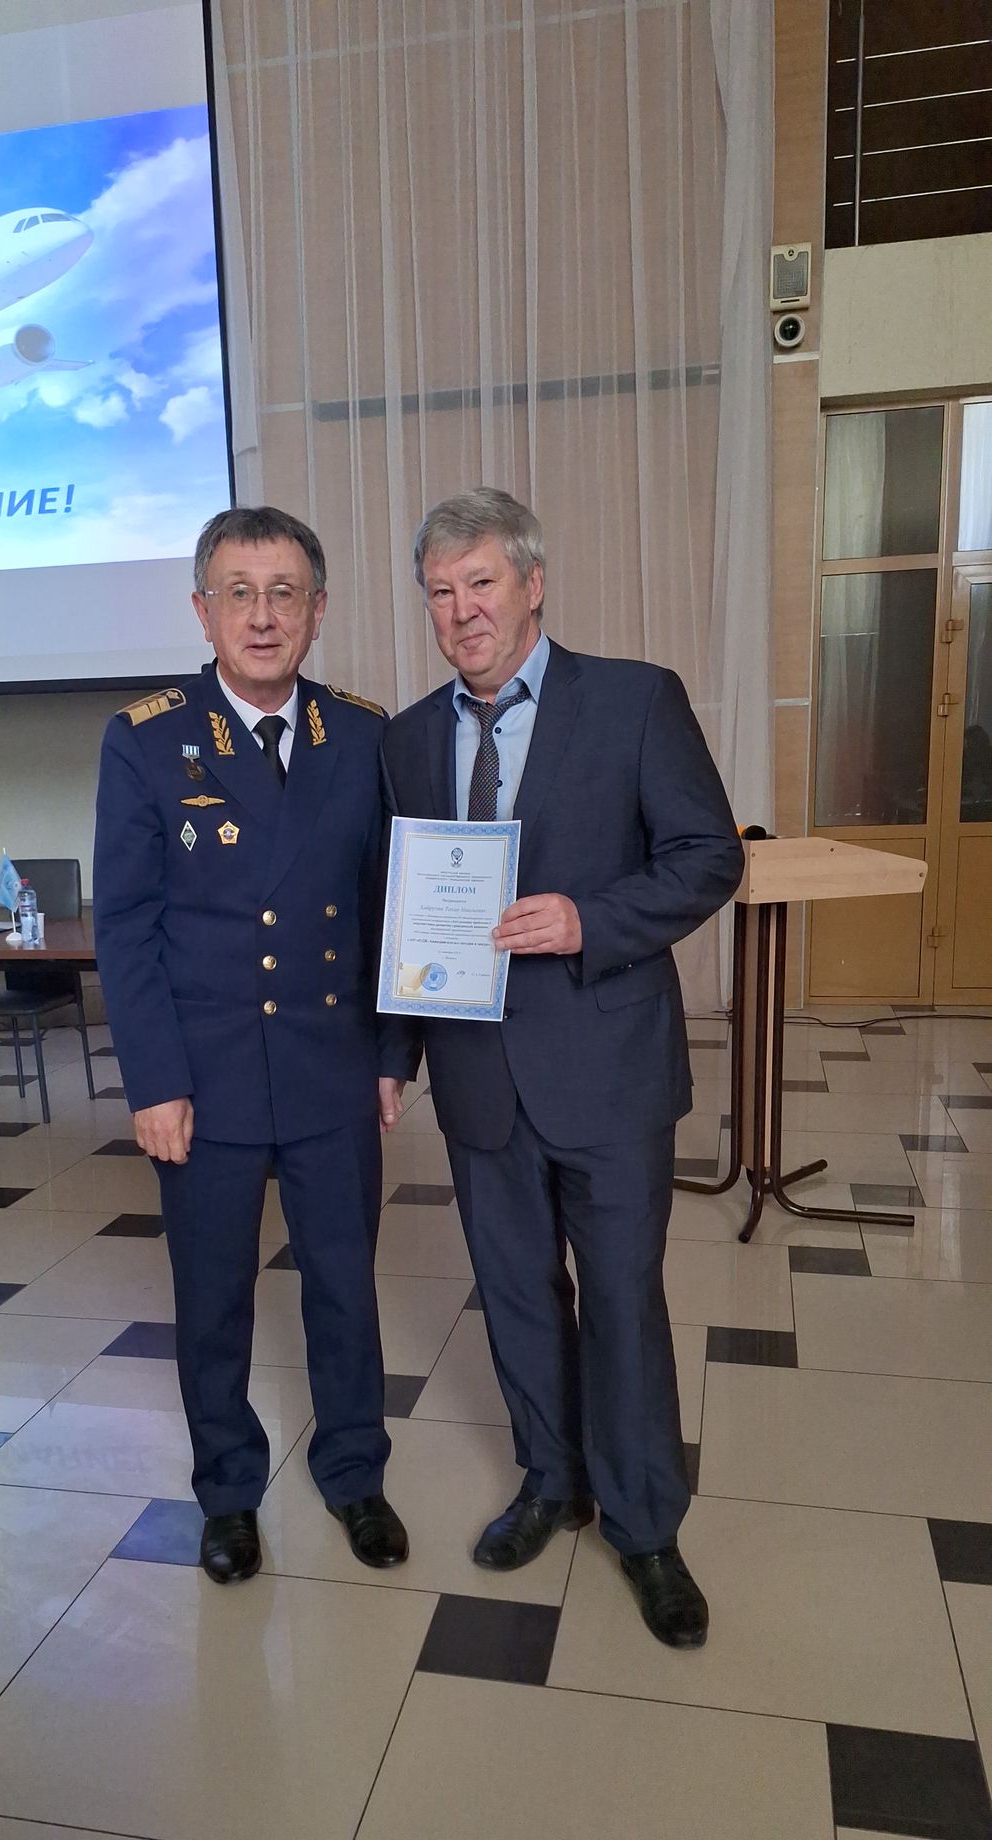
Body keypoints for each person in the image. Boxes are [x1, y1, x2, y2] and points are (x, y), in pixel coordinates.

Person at [378, 487, 743, 1647]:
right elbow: (401, 910)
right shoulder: (405, 739)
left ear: (532, 585)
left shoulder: (634, 701)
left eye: (480, 583)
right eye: (439, 592)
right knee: (516, 1296)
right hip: (477, 1079)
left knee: (622, 1304)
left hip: (608, 1072)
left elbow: (706, 857)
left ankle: (643, 1527)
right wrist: (392, 1055)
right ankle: (551, 1482)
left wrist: (590, 921)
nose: (461, 611)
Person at [94, 506, 408, 1585]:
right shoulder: (146, 738)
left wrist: (392, 1053)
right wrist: (154, 1082)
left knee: (344, 1288)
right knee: (214, 1299)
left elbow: (385, 910)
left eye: (284, 594)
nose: (262, 616)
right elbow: (126, 925)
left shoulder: (360, 735)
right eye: (239, 593)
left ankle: (354, 1473)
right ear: (203, 611)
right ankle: (227, 1492)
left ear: (318, 612)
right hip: (207, 1076)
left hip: (330, 1065)